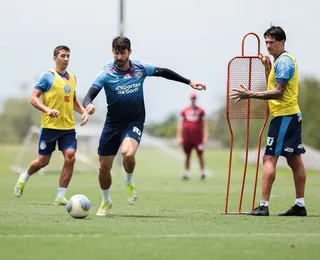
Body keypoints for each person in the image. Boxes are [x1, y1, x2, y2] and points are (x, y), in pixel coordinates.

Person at [82, 36, 206, 216]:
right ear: (112, 52)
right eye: (116, 53)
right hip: (112, 124)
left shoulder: (140, 69)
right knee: (103, 167)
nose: (119, 57)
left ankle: (129, 180)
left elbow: (163, 72)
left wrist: (189, 82)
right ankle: (106, 201)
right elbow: (88, 96)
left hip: (134, 122)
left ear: (129, 52)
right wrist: (88, 105)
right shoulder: (105, 73)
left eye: (122, 53)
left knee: (128, 153)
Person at [230, 26, 307, 216]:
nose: (268, 46)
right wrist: (267, 69)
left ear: (282, 42)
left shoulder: (285, 63)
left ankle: (263, 205)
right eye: (266, 42)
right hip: (288, 116)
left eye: (272, 42)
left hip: (284, 116)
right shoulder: (278, 62)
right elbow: (273, 86)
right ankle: (300, 205)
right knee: (294, 160)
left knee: (269, 158)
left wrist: (251, 94)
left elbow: (278, 93)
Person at [14, 45, 89, 205]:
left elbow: (72, 100)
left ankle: (60, 196)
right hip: (50, 127)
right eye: (63, 56)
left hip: (68, 128)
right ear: (55, 58)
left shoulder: (72, 77)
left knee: (70, 156)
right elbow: (33, 98)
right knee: (43, 162)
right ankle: (24, 176)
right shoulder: (48, 77)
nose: (66, 59)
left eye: (68, 56)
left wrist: (83, 111)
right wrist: (47, 109)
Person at [176, 92, 208, 180]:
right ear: (190, 99)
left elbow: (205, 124)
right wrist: (179, 136)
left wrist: (205, 137)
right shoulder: (185, 110)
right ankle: (186, 173)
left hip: (198, 137)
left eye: (194, 98)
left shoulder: (201, 111)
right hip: (187, 137)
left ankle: (202, 172)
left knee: (200, 154)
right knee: (187, 155)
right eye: (192, 98)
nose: (193, 100)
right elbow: (180, 124)